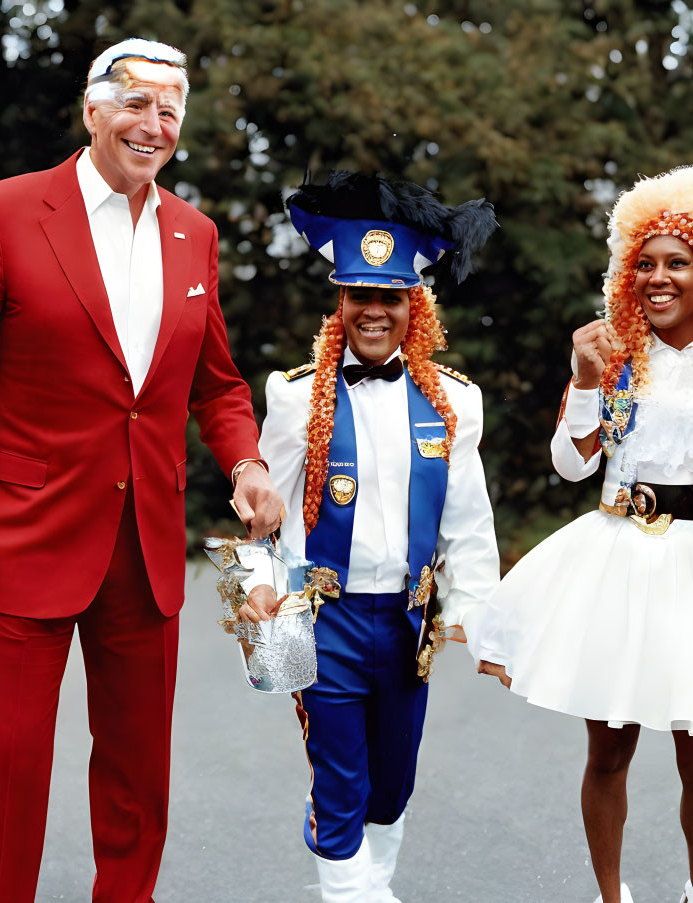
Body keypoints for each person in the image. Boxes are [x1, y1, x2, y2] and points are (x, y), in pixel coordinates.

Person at [0, 38, 283, 902]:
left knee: (137, 777)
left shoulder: (196, 233)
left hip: (146, 547)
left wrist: (247, 460)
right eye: (136, 103)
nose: (152, 125)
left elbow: (217, 383)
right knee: (10, 772)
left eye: (169, 111)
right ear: (91, 108)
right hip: (20, 537)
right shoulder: (4, 213)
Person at [466, 166, 693, 903]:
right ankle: (609, 894)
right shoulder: (611, 353)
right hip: (617, 557)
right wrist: (583, 377)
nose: (658, 278)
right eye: (645, 263)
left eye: (675, 263)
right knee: (607, 754)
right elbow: (568, 464)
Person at [241, 172, 500, 902]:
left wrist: (485, 624)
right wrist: (261, 580)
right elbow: (265, 509)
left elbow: (468, 524)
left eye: (390, 297)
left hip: (410, 622)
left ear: (413, 305)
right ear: (341, 303)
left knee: (391, 784)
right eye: (361, 296)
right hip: (326, 618)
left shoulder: (455, 401)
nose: (374, 312)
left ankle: (365, 879)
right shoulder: (295, 395)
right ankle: (351, 890)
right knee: (341, 775)